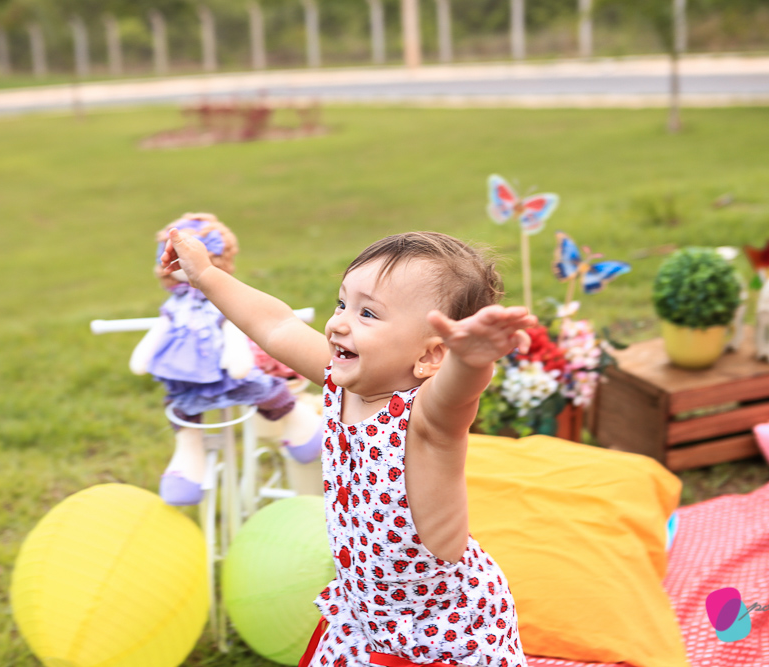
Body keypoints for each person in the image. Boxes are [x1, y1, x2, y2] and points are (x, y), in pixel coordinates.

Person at [160, 229, 535, 667]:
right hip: (367, 621)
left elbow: (457, 394)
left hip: (441, 635)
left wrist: (471, 361)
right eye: (343, 304)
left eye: (368, 314)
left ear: (432, 356)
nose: (339, 322)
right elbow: (276, 325)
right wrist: (205, 274)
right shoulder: (343, 386)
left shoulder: (428, 420)